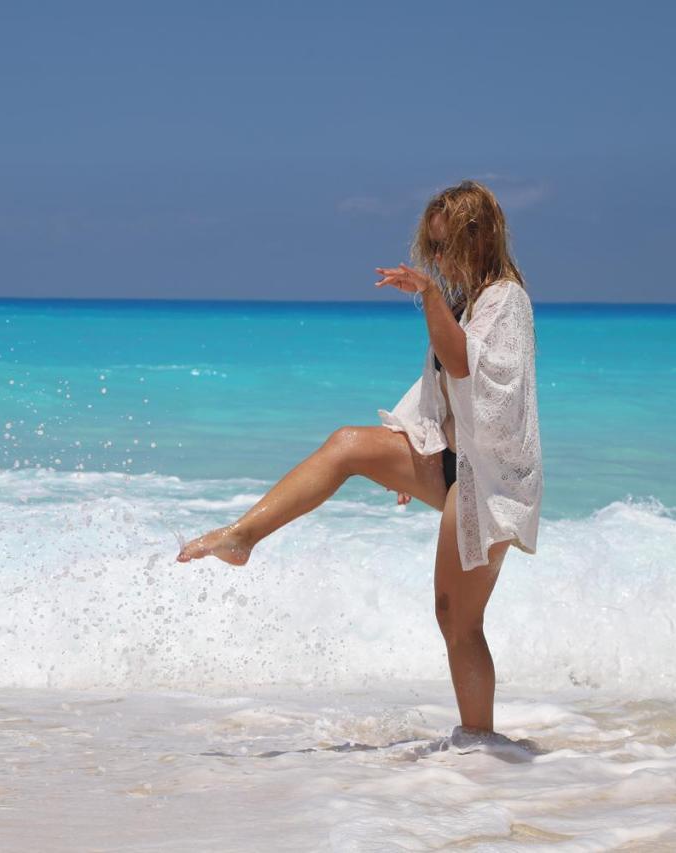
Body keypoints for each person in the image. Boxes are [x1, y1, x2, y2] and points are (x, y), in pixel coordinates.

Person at [176, 180, 543, 740]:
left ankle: (481, 747)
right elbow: (443, 393)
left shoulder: (506, 302)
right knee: (349, 444)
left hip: (492, 482)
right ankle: (242, 536)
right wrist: (414, 446)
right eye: (433, 248)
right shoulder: (469, 302)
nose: (439, 259)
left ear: (479, 238)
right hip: (453, 461)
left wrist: (428, 297)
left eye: (447, 247)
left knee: (457, 619)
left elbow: (465, 367)